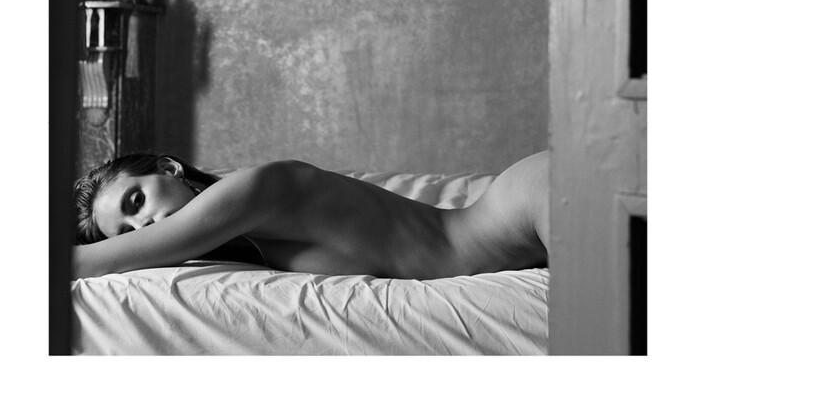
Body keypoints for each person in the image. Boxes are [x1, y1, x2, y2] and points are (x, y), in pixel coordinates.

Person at [72, 149, 549, 280]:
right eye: (126, 231)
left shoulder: (248, 191)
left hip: (525, 202)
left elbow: (84, 264)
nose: (142, 227)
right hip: (518, 225)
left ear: (168, 169)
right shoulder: (251, 237)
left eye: (136, 202)